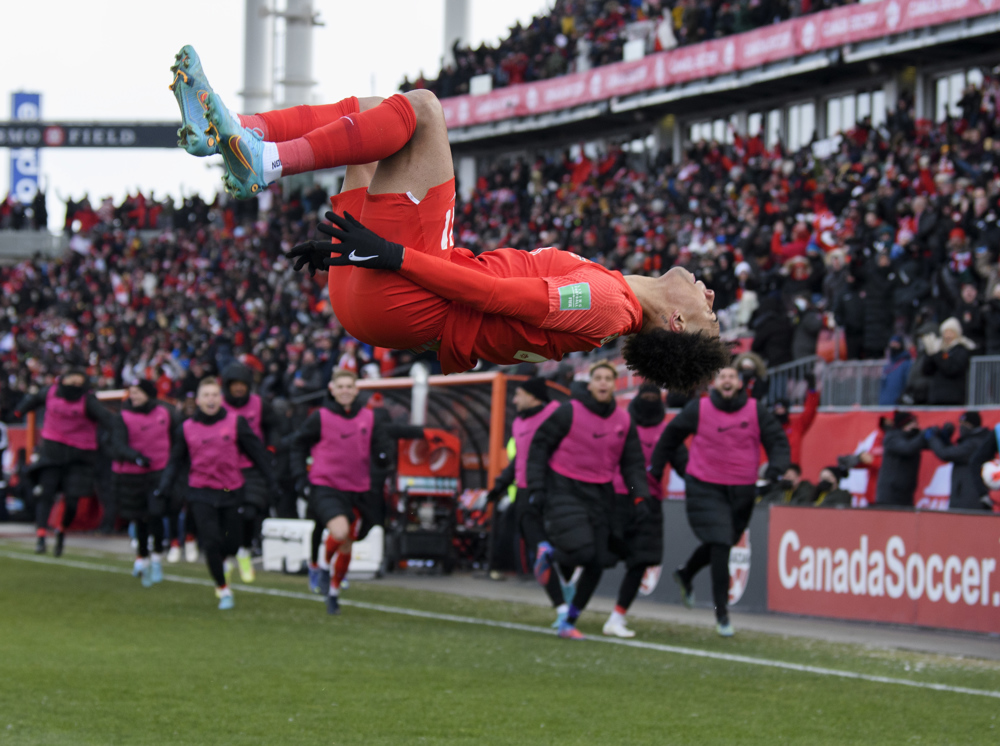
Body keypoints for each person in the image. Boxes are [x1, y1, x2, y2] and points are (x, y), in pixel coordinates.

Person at [170, 46, 729, 394]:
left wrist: (391, 257)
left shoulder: (608, 306)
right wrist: (351, 254)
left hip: (410, 300)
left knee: (422, 111)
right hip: (376, 308)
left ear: (676, 325)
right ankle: (242, 129)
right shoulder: (611, 303)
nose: (711, 299)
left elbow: (492, 295)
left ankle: (263, 159)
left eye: (709, 319)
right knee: (369, 129)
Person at [651, 365, 790, 637]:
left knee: (723, 541)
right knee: (721, 544)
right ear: (714, 383)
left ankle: (687, 573)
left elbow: (777, 440)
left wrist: (776, 468)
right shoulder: (698, 409)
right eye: (722, 376)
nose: (727, 381)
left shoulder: (755, 410)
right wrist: (657, 468)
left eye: (732, 377)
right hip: (704, 486)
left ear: (739, 383)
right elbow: (670, 436)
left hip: (742, 489)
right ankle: (722, 614)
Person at [526, 361, 650, 640]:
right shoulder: (569, 411)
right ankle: (548, 555)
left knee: (599, 560)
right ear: (590, 383)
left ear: (615, 384)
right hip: (564, 487)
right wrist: (537, 486)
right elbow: (540, 447)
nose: (604, 383)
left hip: (601, 492)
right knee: (581, 552)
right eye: (599, 378)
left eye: (609, 378)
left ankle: (569, 621)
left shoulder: (623, 420)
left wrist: (639, 495)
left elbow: (632, 465)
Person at [290, 369, 425, 614]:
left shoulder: (369, 418)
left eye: (349, 387)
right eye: (340, 386)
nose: (345, 391)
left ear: (356, 390)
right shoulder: (320, 417)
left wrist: (384, 456)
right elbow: (298, 445)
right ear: (332, 389)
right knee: (340, 531)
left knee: (348, 541)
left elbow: (380, 445)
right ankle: (320, 565)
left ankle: (333, 591)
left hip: (358, 487)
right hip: (326, 485)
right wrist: (301, 476)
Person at [154, 377, 278, 610]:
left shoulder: (235, 422)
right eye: (206, 395)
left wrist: (272, 482)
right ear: (198, 400)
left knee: (230, 543)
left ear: (220, 399)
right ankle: (223, 589)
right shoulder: (186, 428)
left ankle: (227, 560)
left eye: (214, 395)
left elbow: (257, 454)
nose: (211, 399)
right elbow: (175, 461)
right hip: (201, 492)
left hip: (231, 489)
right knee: (210, 542)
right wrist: (164, 487)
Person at [13, 369, 120, 556]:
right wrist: (17, 411)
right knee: (46, 494)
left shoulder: (88, 401)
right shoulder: (50, 392)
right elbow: (32, 400)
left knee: (72, 500)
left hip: (79, 457)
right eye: (72, 381)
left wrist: (118, 435)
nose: (74, 386)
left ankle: (62, 531)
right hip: (52, 452)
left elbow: (107, 419)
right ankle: (41, 536)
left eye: (79, 383)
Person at [604, 383, 670, 639]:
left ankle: (617, 615)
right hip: (620, 497)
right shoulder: (624, 425)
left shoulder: (666, 432)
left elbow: (682, 460)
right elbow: (623, 465)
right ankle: (571, 605)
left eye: (655, 397)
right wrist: (634, 490)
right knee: (600, 554)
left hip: (650, 502)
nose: (650, 401)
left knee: (641, 560)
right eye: (647, 396)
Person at [487, 377, 560, 577]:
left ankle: (551, 571)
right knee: (525, 532)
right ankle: (534, 572)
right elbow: (519, 459)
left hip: (548, 486)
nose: (514, 400)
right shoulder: (519, 423)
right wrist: (500, 485)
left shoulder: (555, 414)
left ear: (532, 397)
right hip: (523, 487)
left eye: (518, 395)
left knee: (546, 531)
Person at [110, 380, 177, 587]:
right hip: (133, 475)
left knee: (156, 513)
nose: (134, 396)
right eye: (131, 392)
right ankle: (142, 556)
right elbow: (118, 443)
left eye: (138, 392)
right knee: (139, 518)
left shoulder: (166, 413)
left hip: (159, 471)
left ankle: (157, 557)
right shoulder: (123, 416)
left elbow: (177, 439)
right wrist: (135, 457)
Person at [220, 362, 281, 582]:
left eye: (242, 385)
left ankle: (245, 550)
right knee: (227, 515)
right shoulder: (218, 406)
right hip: (224, 468)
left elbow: (273, 426)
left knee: (249, 511)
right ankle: (226, 555)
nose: (238, 389)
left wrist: (270, 449)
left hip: (252, 467)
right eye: (234, 385)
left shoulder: (259, 405)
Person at [925, 411, 993, 511]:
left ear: (971, 425)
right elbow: (955, 452)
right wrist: (945, 439)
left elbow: (945, 454)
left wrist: (932, 438)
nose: (960, 428)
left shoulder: (975, 444)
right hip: (965, 496)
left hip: (970, 499)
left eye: (964, 424)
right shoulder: (975, 441)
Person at [921, 318, 975, 406]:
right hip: (936, 397)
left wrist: (937, 354)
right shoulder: (939, 349)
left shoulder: (961, 350)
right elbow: (926, 371)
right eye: (945, 332)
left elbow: (951, 369)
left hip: (953, 397)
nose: (948, 336)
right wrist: (929, 354)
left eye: (951, 332)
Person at [770, 373, 818, 465]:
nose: (780, 411)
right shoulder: (769, 429)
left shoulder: (796, 426)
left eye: (782, 408)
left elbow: (810, 411)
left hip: (792, 471)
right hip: (773, 470)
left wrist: (812, 391)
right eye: (777, 409)